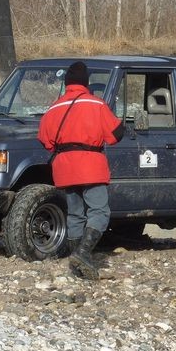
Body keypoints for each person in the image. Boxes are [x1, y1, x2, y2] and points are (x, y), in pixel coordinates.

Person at [38, 61, 125, 280]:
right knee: (99, 212)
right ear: (86, 82)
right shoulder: (96, 104)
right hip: (90, 165)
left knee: (75, 215)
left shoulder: (54, 107)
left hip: (64, 167)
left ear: (67, 83)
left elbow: (45, 141)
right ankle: (83, 253)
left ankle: (77, 265)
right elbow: (114, 135)